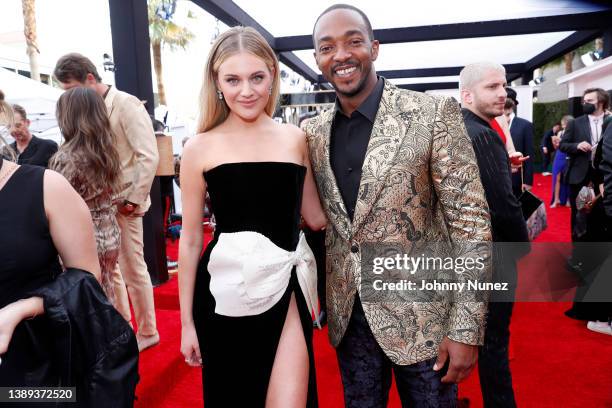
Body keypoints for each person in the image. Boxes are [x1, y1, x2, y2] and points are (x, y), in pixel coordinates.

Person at [302, 5, 492, 407]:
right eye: (326, 47)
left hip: (427, 317)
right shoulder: (311, 132)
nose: (341, 55)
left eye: (353, 41)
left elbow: (471, 226)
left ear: (374, 47)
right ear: (317, 59)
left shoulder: (432, 113)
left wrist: (465, 328)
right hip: (350, 319)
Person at [178, 26, 326, 407]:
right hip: (225, 295)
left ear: (272, 76)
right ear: (217, 82)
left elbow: (316, 217)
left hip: (286, 288)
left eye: (257, 77)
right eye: (233, 79)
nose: (247, 90)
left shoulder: (295, 138)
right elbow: (191, 239)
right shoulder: (199, 147)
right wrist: (186, 324)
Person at [0, 91, 138, 405]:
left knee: (99, 294)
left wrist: (23, 308)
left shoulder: (58, 166)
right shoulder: (104, 150)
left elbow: (81, 281)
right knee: (109, 291)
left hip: (36, 378)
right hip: (104, 227)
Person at [54, 53, 161, 351]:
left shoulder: (125, 104)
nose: (69, 96)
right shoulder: (90, 108)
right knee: (110, 273)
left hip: (125, 204)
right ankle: (122, 324)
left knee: (131, 267)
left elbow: (148, 155)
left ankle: (149, 331)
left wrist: (132, 198)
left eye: (71, 87)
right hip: (99, 207)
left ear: (90, 78)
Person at [460, 62, 530, 408]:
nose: (502, 93)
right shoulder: (484, 134)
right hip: (493, 257)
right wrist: (522, 247)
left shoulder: (459, 127)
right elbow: (503, 205)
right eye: (492, 87)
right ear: (467, 94)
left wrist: (505, 165)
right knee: (494, 344)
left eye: (503, 86)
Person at [49, 87, 122, 306]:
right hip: (110, 233)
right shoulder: (106, 150)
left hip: (80, 238)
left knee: (87, 305)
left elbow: (57, 205)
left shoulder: (66, 157)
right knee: (106, 292)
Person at [505, 88, 535, 196]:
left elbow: (529, 153)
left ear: (513, 104)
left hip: (517, 180)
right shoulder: (491, 123)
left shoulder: (525, 125)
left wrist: (527, 180)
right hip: (496, 179)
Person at [8, 103, 58, 168]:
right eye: (8, 126)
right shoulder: (5, 151)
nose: (13, 130)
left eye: (18, 125)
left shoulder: (48, 146)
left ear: (27, 122)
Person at [550, 115, 573, 207]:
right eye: (562, 125)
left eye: (565, 125)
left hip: (569, 156)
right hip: (559, 156)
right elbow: (556, 147)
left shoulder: (574, 133)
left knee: (569, 178)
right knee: (557, 178)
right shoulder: (560, 133)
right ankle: (556, 200)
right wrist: (554, 142)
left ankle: (568, 200)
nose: (563, 127)